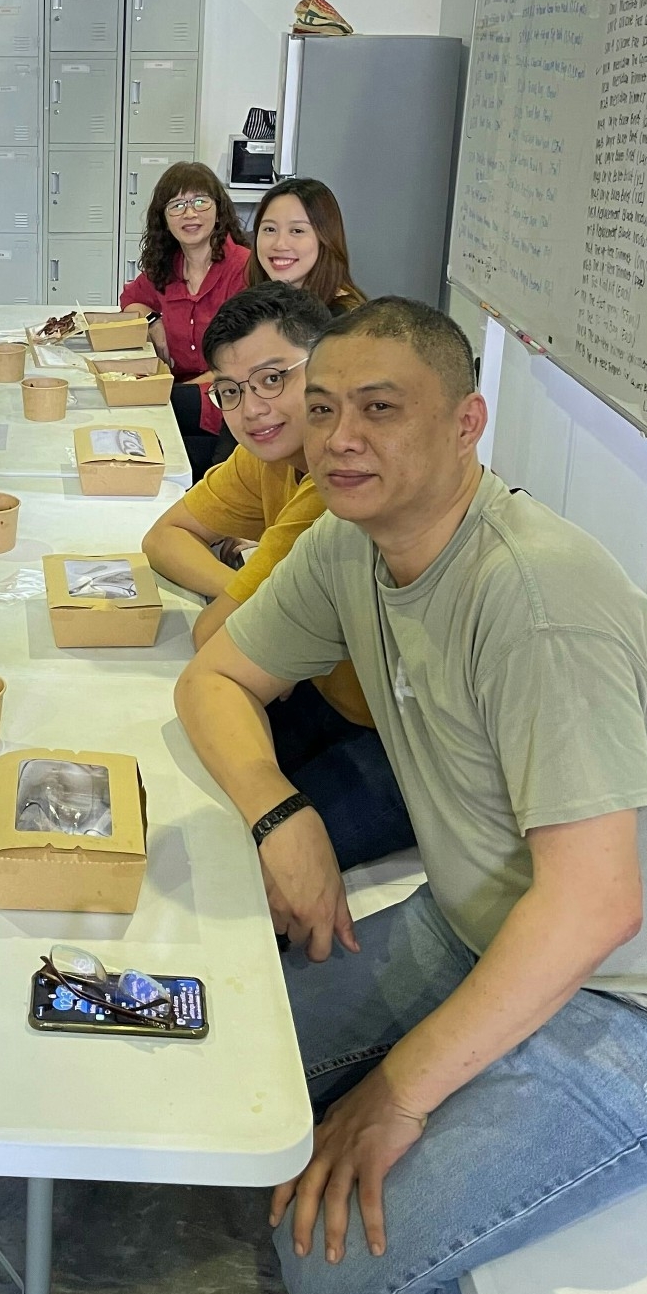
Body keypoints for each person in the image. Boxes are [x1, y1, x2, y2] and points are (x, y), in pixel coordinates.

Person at [175, 297, 647, 1294]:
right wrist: (278, 811)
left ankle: (533, 1282)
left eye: (382, 409)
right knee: (236, 1064)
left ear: (466, 425)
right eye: (327, 406)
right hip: (488, 918)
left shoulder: (536, 594)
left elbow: (597, 901)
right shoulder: (353, 544)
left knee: (334, 1267)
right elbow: (215, 678)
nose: (340, 436)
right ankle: (512, 1176)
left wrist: (400, 1089)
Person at [158, 287, 411, 873]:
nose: (253, 409)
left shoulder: (334, 487)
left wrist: (250, 611)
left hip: (407, 743)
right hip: (327, 693)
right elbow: (165, 535)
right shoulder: (272, 455)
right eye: (232, 392)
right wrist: (249, 595)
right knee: (183, 781)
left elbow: (213, 639)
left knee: (238, 862)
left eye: (275, 379)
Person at [118, 161, 250, 479]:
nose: (190, 214)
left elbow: (245, 360)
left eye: (200, 201)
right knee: (127, 411)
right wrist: (152, 320)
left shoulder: (244, 268)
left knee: (137, 408)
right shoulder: (168, 265)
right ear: (164, 218)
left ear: (219, 209)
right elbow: (129, 301)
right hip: (181, 395)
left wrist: (182, 389)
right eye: (177, 205)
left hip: (227, 395)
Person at [247, 176, 366, 313]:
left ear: (325, 238)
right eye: (270, 229)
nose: (280, 244)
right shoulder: (257, 305)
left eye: (297, 231)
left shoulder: (346, 320)